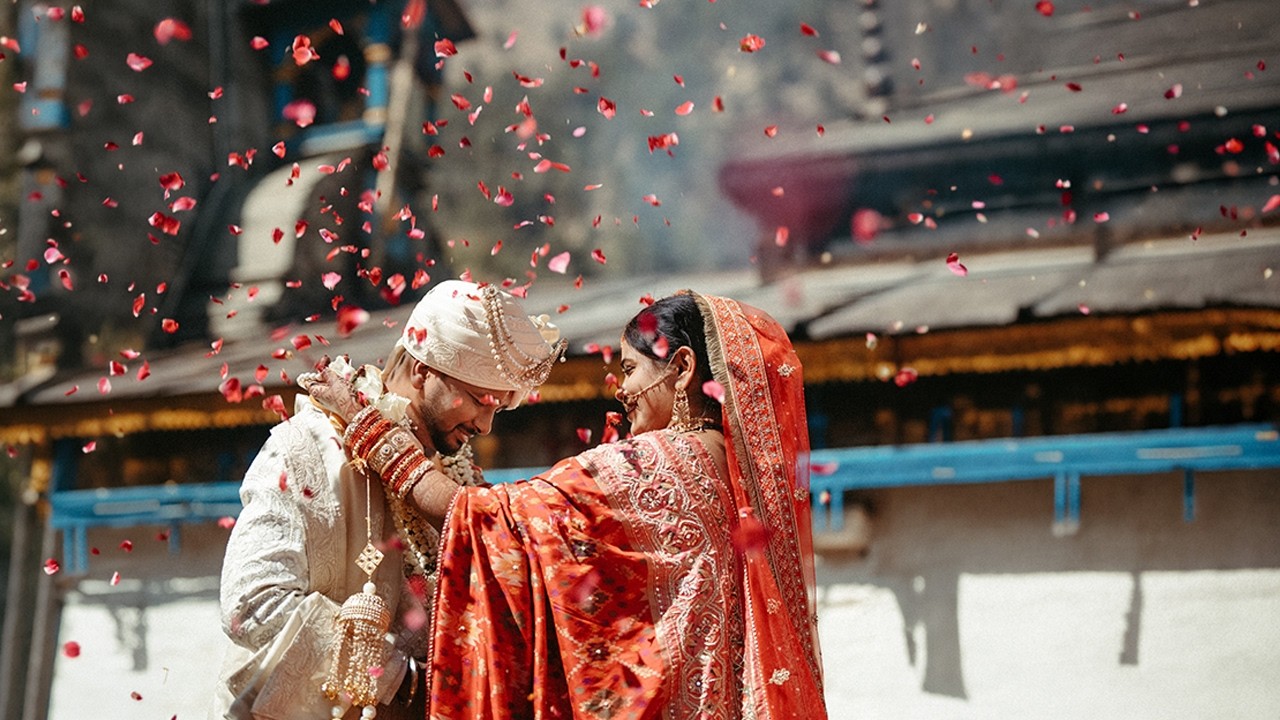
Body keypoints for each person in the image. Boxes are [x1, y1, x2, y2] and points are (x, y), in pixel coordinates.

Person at [308, 291, 828, 719]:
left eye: (630, 368)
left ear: (683, 366)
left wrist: (370, 430)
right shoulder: (737, 478)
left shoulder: (655, 461)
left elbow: (488, 519)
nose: (620, 390)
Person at [211, 280, 566, 720]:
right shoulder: (308, 449)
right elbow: (252, 605)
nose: (487, 425)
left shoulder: (457, 472)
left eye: (499, 408)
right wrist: (402, 680)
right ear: (423, 370)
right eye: (479, 400)